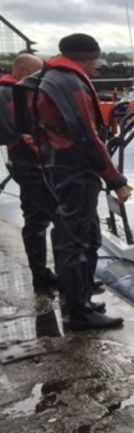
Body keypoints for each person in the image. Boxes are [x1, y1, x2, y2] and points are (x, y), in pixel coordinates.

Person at [20, 34, 132, 331]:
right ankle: (78, 312)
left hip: (58, 165)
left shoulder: (50, 77)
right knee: (76, 242)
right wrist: (115, 179)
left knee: (79, 237)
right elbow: (86, 136)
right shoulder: (70, 84)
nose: (97, 66)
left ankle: (79, 301)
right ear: (86, 57)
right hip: (74, 170)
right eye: (95, 60)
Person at [0, 53, 57, 291]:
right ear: (22, 70)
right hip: (29, 163)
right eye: (36, 73)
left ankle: (49, 273)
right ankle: (41, 274)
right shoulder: (10, 93)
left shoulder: (18, 91)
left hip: (30, 161)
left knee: (41, 218)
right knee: (38, 219)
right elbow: (18, 133)